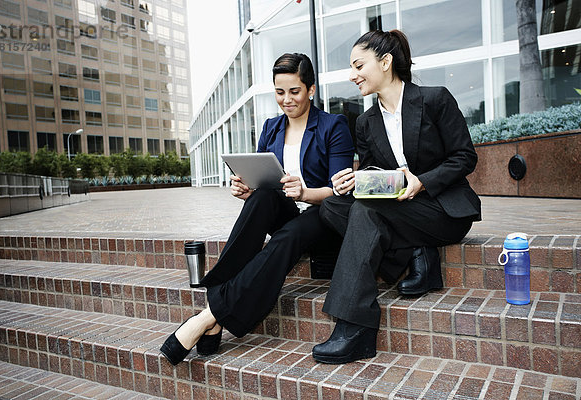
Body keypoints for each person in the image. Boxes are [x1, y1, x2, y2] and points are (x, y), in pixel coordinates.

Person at [160, 53, 354, 365]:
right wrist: (246, 190)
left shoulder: (334, 126)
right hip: (287, 212)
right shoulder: (271, 128)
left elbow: (340, 189)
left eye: (295, 91)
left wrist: (305, 191)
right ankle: (216, 314)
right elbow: (266, 180)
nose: (286, 100)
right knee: (262, 197)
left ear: (311, 90)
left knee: (288, 236)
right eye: (280, 92)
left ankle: (208, 317)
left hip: (324, 216)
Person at [311, 29, 481, 364]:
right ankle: (417, 254)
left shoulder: (434, 99)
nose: (352, 75)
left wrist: (422, 182)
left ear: (385, 62)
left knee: (366, 212)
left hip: (441, 209)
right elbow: (378, 177)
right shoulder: (365, 121)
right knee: (332, 206)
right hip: (399, 208)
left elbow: (465, 157)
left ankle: (354, 326)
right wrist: (356, 180)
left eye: (359, 65)